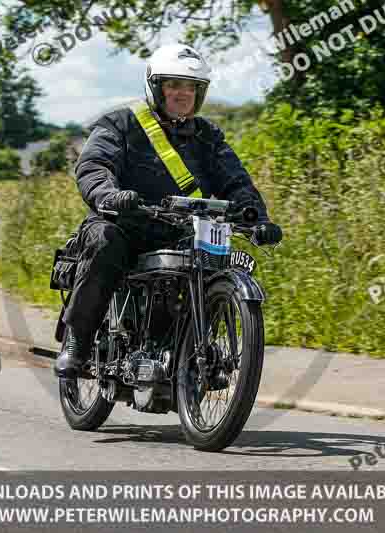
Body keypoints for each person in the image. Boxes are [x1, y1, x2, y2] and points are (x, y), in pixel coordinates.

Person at [55, 43, 283, 378]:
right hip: (127, 222)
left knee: (212, 261)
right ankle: (79, 341)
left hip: (184, 229)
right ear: (155, 86)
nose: (183, 94)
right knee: (103, 239)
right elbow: (94, 165)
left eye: (191, 87)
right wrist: (109, 195)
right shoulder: (121, 123)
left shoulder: (207, 135)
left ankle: (188, 348)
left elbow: (235, 180)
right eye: (174, 85)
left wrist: (256, 218)